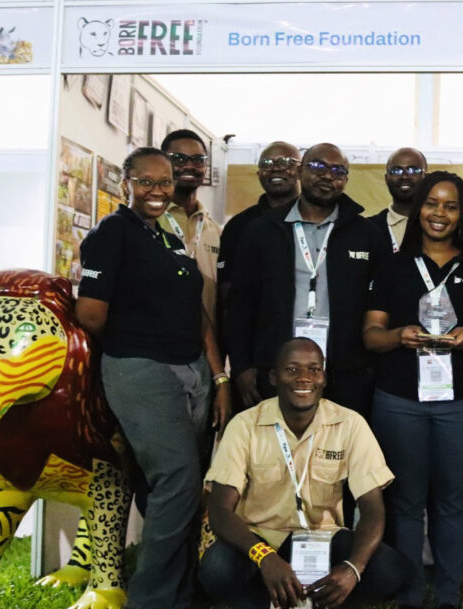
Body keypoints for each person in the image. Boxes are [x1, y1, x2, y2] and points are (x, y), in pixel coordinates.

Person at [75, 146, 231, 609]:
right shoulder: (111, 233)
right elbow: (90, 315)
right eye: (146, 181)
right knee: (178, 477)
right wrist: (137, 339)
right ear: (126, 183)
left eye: (165, 182)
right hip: (141, 368)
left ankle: (177, 603)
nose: (158, 190)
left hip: (192, 370)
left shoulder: (168, 235)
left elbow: (196, 313)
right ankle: (144, 606)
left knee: (175, 486)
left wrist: (218, 377)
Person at [199, 338, 411, 609]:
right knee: (216, 568)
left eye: (314, 369)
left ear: (324, 377)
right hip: (261, 540)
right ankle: (261, 608)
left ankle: (314, 608)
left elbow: (373, 507)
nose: (304, 378)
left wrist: (352, 568)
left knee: (389, 568)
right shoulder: (245, 425)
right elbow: (220, 510)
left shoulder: (350, 424)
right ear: (274, 377)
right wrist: (264, 557)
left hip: (321, 540)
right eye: (292, 369)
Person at [363, 171, 463, 609]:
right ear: (418, 208)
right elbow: (371, 335)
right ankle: (408, 596)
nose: (439, 214)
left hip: (462, 402)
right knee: (405, 500)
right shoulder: (392, 266)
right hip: (399, 399)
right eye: (432, 203)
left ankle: (447, 598)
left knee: (454, 500)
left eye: (451, 206)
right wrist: (397, 336)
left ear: (462, 215)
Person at [226, 142, 387, 419]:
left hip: (347, 374)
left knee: (340, 444)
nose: (327, 175)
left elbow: (380, 305)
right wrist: (241, 366)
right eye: (318, 166)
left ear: (346, 180)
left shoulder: (367, 235)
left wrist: (370, 370)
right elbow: (240, 304)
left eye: (338, 171)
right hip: (276, 370)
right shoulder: (262, 231)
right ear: (300, 171)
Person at [218, 141, 302, 316]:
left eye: (285, 162)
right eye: (266, 164)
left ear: (301, 170)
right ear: (258, 174)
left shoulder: (317, 219)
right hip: (256, 326)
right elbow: (228, 288)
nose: (276, 168)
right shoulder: (239, 225)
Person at [159, 129, 222, 332]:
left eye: (198, 160)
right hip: (157, 340)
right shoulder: (147, 222)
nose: (189, 166)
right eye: (178, 158)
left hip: (206, 342)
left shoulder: (215, 230)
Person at [367, 147, 428, 254]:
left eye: (413, 170)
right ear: (386, 178)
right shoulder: (368, 228)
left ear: (426, 177)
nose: (404, 176)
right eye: (396, 171)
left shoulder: (437, 224)